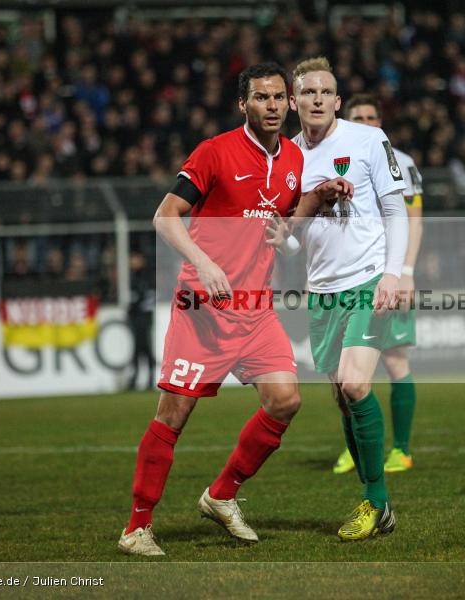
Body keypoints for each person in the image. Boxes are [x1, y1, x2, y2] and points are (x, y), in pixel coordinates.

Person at [117, 62, 348, 556]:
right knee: (173, 416)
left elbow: (284, 226)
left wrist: (318, 199)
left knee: (285, 401)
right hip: (202, 309)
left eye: (278, 98)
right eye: (261, 98)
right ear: (243, 104)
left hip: (256, 309)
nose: (272, 106)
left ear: (289, 103)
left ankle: (221, 495)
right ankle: (137, 527)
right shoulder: (214, 152)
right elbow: (165, 216)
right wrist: (202, 262)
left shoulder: (293, 159)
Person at [289, 57, 409, 540]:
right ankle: (378, 501)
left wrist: (393, 274)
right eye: (308, 92)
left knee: (355, 384)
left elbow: (395, 208)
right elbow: (290, 241)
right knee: (342, 395)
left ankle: (375, 500)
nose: (316, 99)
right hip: (322, 289)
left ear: (337, 101)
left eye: (325, 92)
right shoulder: (287, 157)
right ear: (294, 101)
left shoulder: (368, 140)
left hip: (368, 278)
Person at [331, 93, 424, 475]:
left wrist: (406, 271)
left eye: (372, 117)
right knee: (343, 372)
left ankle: (401, 449)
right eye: (359, 117)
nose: (366, 123)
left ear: (380, 122)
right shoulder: (332, 158)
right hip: (344, 278)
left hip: (387, 274)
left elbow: (413, 220)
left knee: (395, 359)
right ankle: (354, 447)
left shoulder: (401, 162)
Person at [126, 250, 155, 391]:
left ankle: (148, 379)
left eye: (135, 259)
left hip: (144, 317)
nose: (132, 262)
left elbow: (143, 297)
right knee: (138, 349)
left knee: (144, 347)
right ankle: (137, 378)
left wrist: (132, 307)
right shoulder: (133, 276)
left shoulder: (145, 277)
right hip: (137, 316)